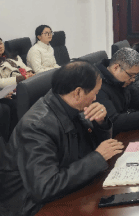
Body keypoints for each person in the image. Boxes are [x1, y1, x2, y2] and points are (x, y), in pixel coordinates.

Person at [0, 61, 124, 216]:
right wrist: (97, 157)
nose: (95, 98)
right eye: (95, 92)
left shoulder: (70, 104)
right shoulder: (36, 127)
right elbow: (45, 187)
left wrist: (101, 123)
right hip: (32, 207)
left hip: (63, 189)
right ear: (78, 93)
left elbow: (96, 147)